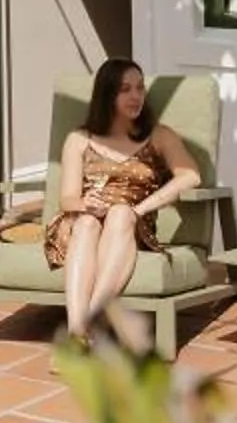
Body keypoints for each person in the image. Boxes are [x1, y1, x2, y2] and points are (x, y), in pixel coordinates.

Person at [47, 57, 202, 337]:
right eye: (125, 89)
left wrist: (139, 210)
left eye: (140, 88)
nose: (135, 96)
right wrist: (84, 204)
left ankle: (88, 322)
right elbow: (66, 199)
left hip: (130, 223)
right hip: (83, 223)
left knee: (120, 213)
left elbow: (190, 176)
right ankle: (76, 331)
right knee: (86, 223)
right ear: (107, 95)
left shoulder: (159, 135)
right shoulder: (80, 139)